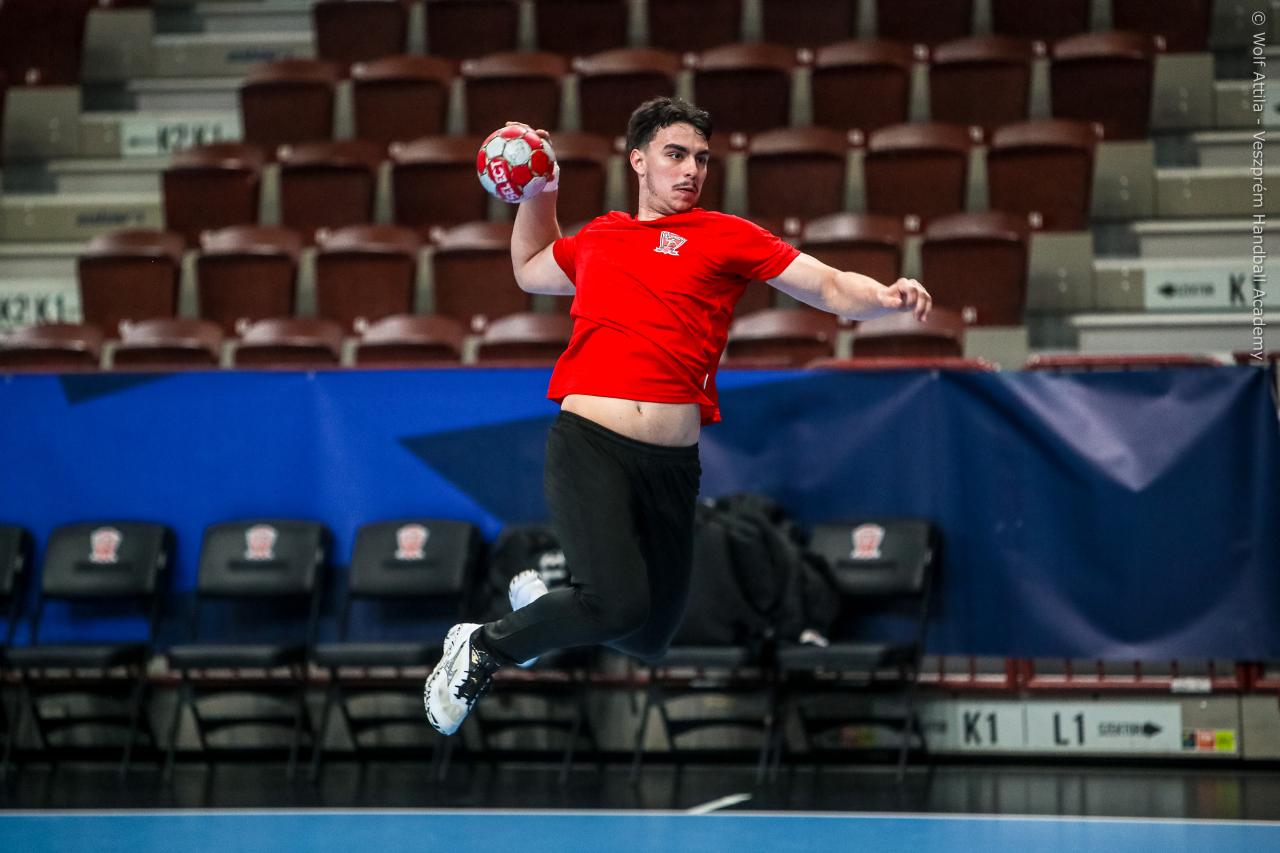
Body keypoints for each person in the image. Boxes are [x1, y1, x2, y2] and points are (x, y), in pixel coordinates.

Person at [424, 97, 931, 735]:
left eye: (701, 158)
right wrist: (540, 189)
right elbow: (529, 268)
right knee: (615, 605)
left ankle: (542, 618)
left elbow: (828, 286)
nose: (691, 169)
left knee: (649, 636)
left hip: (671, 464)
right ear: (638, 161)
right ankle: (483, 646)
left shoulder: (726, 236)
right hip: (590, 445)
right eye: (675, 154)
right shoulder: (601, 238)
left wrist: (882, 296)